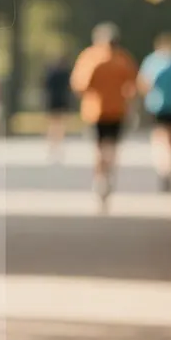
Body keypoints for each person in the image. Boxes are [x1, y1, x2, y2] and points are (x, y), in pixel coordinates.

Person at [70, 23, 138, 211]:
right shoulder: (123, 59)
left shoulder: (90, 57)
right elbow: (133, 85)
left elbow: (80, 85)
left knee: (98, 147)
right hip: (117, 110)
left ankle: (100, 178)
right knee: (112, 146)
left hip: (95, 111)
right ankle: (108, 174)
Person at [138, 32, 171, 192]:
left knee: (159, 139)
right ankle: (169, 166)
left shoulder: (151, 62)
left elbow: (143, 84)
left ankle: (163, 167)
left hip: (156, 106)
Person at [42, 55, 73, 162]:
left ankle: (53, 145)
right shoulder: (65, 74)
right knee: (59, 124)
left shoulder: (53, 74)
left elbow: (46, 87)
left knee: (54, 124)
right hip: (61, 101)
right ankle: (56, 144)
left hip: (54, 101)